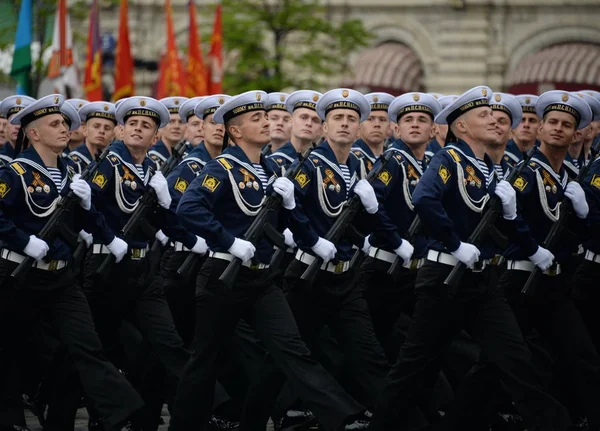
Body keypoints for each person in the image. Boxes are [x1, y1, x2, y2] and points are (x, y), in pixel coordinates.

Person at [368, 86, 571, 431]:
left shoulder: (489, 168)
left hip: (482, 281)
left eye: (494, 116)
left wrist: (523, 234)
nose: (494, 120)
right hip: (444, 279)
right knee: (414, 366)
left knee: (515, 359)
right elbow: (424, 199)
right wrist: (454, 243)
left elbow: (500, 225)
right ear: (461, 127)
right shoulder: (449, 159)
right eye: (484, 115)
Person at [169, 90, 370, 431]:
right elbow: (188, 208)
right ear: (236, 131)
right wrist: (228, 241)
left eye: (266, 118)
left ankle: (343, 416)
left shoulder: (268, 168)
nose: (266, 123)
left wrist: (311, 238)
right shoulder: (222, 167)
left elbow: (286, 222)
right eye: (256, 120)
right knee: (203, 362)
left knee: (292, 349)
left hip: (261, 280)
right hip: (222, 277)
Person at [242, 88, 389, 429]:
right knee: (284, 360)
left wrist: (372, 211)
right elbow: (282, 216)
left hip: (346, 277)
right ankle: (253, 419)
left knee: (368, 355)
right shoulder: (308, 167)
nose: (344, 124)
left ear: (359, 129)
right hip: (309, 277)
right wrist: (306, 237)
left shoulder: (358, 168)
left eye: (352, 120)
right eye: (337, 118)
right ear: (325, 127)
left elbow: (369, 225)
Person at [0, 94, 145, 431]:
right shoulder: (15, 172)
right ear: (34, 134)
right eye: (55, 124)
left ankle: (121, 412)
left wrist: (106, 233)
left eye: (65, 123)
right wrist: (24, 242)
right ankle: (11, 421)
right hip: (18, 275)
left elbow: (84, 220)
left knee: (86, 345)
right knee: (8, 352)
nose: (65, 128)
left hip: (61, 278)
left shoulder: (69, 174)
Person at [82, 96, 192, 431]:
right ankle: (83, 412)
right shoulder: (108, 165)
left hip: (144, 272)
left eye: (146, 126)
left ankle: (193, 413)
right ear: (120, 130)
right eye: (132, 124)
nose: (138, 129)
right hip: (105, 268)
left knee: (168, 342)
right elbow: (85, 207)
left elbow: (163, 223)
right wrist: (106, 235)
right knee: (97, 347)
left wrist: (168, 205)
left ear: (154, 138)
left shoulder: (151, 172)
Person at [499, 90, 600, 430]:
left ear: (577, 134)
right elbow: (503, 225)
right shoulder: (525, 173)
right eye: (552, 122)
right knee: (498, 364)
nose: (558, 129)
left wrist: (585, 215)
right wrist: (531, 248)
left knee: (582, 357)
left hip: (553, 283)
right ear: (540, 129)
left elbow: (577, 235)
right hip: (521, 281)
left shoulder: (568, 179)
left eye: (566, 125)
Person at [357, 92, 441, 362]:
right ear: (397, 128)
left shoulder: (428, 164)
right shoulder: (392, 161)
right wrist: (395, 241)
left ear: (433, 130)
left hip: (415, 268)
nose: (415, 124)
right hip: (385, 268)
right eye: (408, 120)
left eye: (422, 119)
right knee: (374, 337)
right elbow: (373, 208)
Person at [268, 90, 323, 171]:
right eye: (303, 117)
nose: (309, 123)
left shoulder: (322, 163)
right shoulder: (272, 163)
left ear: (321, 129)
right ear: (290, 121)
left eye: (315, 120)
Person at [66, 102, 118, 175]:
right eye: (96, 126)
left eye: (107, 128)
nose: (102, 131)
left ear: (113, 135)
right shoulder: (72, 162)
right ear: (85, 130)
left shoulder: (115, 163)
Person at [352, 92, 394, 171]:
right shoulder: (351, 158)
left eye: (382, 119)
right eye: (370, 119)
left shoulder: (392, 159)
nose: (377, 124)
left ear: (389, 126)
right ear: (359, 125)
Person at [488, 93, 523, 178]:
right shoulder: (470, 165)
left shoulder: (517, 171)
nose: (495, 125)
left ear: (511, 132)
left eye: (502, 121)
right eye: (491, 120)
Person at [148, 97, 189, 169]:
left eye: (181, 122)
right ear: (161, 127)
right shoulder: (151, 158)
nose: (176, 126)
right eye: (171, 122)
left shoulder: (189, 155)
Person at [504, 94, 539, 167]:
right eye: (522, 120)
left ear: (540, 127)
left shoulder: (541, 156)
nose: (526, 125)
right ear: (513, 124)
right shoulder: (502, 154)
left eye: (532, 120)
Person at [0, 96, 36, 166]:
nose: (17, 126)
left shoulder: (38, 158)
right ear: (6, 125)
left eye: (22, 121)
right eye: (13, 121)